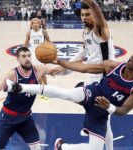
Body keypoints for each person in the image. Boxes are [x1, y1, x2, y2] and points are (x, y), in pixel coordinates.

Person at [6, 53, 133, 150]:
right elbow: (83, 68)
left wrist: (109, 107)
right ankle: (20, 87)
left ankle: (62, 146)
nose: (132, 58)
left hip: (102, 111)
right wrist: (61, 62)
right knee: (66, 94)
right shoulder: (113, 66)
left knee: (95, 148)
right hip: (93, 93)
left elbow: (123, 110)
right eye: (132, 56)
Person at [50, 0, 115, 149]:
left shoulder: (101, 30)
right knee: (106, 121)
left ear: (95, 15)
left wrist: (91, 3)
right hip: (93, 79)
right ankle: (90, 126)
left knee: (105, 121)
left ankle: (64, 145)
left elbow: (99, 15)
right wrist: (62, 68)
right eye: (82, 15)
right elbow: (82, 53)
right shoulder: (85, 32)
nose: (84, 17)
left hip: (106, 80)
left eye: (88, 14)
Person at [0, 47, 51, 150]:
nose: (27, 59)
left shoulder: (38, 70)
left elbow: (57, 70)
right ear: (18, 59)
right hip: (7, 118)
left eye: (29, 56)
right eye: (23, 56)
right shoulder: (12, 74)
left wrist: (68, 62)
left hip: (26, 118)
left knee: (37, 148)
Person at [24, 17, 50, 86]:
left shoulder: (43, 31)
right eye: (34, 23)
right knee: (36, 71)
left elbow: (49, 41)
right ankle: (41, 87)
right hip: (33, 54)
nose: (35, 24)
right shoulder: (29, 32)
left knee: (42, 71)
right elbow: (25, 44)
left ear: (39, 24)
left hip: (42, 53)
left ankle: (46, 86)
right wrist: (23, 53)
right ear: (31, 25)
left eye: (37, 23)